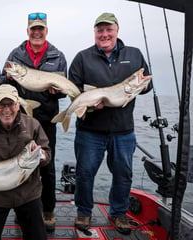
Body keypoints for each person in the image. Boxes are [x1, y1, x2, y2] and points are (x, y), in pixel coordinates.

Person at [69, 12, 153, 235]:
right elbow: (73, 91)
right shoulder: (82, 57)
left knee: (123, 173)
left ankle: (118, 213)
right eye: (100, 30)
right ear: (95, 33)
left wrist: (142, 86)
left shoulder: (134, 54)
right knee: (85, 173)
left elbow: (146, 83)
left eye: (108, 29)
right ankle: (84, 211)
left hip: (123, 130)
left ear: (117, 30)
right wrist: (87, 105)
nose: (104, 34)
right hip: (90, 130)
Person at [0, 12, 67, 232]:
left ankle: (48, 210)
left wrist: (57, 92)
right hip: (20, 121)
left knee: (46, 165)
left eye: (41, 29)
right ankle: (23, 210)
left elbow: (63, 92)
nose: (37, 33)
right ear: (27, 31)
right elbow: (2, 84)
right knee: (21, 164)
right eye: (33, 29)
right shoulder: (15, 55)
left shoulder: (58, 56)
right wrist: (7, 78)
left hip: (47, 121)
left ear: (46, 31)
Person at [0, 84, 51, 240]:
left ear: (18, 105)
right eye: (2, 105)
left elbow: (47, 154)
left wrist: (42, 156)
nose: (6, 109)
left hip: (28, 194)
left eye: (10, 104)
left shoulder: (33, 125)